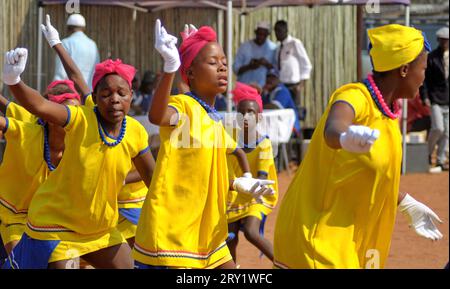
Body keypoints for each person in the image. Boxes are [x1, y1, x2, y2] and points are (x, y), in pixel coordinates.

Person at [273, 24, 443, 269]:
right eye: (423, 68)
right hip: (317, 233)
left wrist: (404, 201)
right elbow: (334, 128)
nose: (424, 76)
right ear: (404, 69)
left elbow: (365, 174)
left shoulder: (388, 116)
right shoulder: (356, 97)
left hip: (345, 237)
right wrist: (344, 137)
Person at [2, 36, 155, 269]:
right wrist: (14, 80)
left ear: (131, 95)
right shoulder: (80, 118)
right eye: (105, 94)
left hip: (100, 228)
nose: (114, 99)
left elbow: (155, 180)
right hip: (59, 225)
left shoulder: (135, 132)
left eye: (121, 94)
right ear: (94, 98)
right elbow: (39, 106)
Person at [133, 20, 274, 269]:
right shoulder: (185, 107)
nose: (222, 68)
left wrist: (239, 181)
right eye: (212, 62)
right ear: (190, 73)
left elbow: (206, 170)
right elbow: (158, 115)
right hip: (174, 233)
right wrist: (170, 67)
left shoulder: (214, 118)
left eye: (224, 63)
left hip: (207, 230)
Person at [226, 82, 277, 263]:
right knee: (228, 239)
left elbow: (262, 178)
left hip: (258, 194)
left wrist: (252, 187)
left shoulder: (264, 144)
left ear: (259, 118)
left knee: (251, 232)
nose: (246, 117)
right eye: (241, 112)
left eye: (251, 112)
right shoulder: (228, 136)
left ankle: (284, 262)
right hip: (233, 195)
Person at [422, 26, 449, 171]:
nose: (445, 43)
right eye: (442, 40)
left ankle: (440, 160)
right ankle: (426, 153)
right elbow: (425, 81)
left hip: (448, 99)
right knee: (438, 128)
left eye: (447, 40)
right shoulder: (432, 57)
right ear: (438, 40)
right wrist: (425, 96)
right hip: (435, 99)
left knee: (447, 132)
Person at [53, 13, 100, 90]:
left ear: (68, 28)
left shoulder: (65, 43)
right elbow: (96, 70)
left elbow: (60, 73)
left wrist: (54, 91)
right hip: (89, 93)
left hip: (71, 94)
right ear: (83, 28)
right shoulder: (93, 44)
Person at [274, 20, 312, 108]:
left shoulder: (295, 43)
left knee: (293, 112)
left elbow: (306, 65)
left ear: (286, 31)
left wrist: (300, 85)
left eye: (279, 30)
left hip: (293, 86)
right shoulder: (278, 48)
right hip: (281, 85)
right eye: (275, 30)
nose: (276, 33)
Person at [233, 21, 277, 88]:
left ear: (268, 34)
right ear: (255, 32)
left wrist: (267, 64)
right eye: (259, 34)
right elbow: (236, 69)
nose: (261, 37)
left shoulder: (273, 48)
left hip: (263, 91)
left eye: (264, 35)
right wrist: (249, 66)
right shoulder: (244, 46)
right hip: (244, 88)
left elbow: (276, 72)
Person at [263, 68, 301, 137]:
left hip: (291, 127)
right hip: (278, 126)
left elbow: (274, 106)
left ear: (278, 80)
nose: (270, 80)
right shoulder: (268, 93)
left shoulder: (282, 91)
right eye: (268, 77)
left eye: (273, 78)